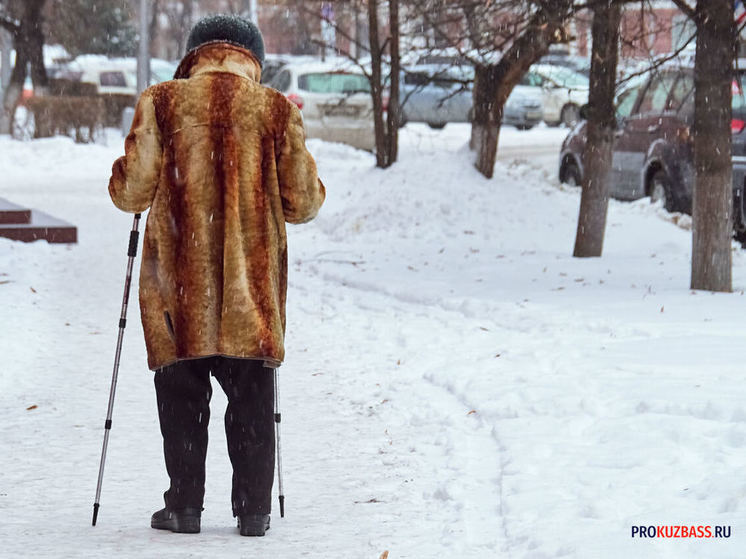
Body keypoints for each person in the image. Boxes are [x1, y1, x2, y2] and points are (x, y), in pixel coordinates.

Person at [108, 15, 325, 537]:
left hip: (179, 290)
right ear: (253, 58)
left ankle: (184, 506)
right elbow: (302, 203)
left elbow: (130, 194)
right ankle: (254, 510)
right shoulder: (276, 110)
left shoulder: (162, 102)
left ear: (193, 54)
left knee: (183, 395)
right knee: (252, 395)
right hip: (248, 293)